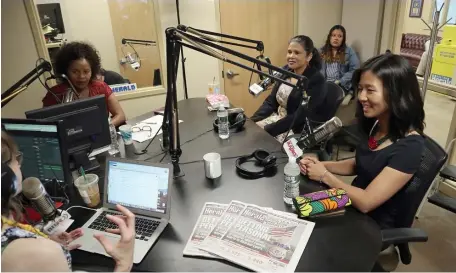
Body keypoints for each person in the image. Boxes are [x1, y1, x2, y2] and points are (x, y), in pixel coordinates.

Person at [299, 53, 425, 230]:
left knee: (309, 231)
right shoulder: (376, 124)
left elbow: (366, 202)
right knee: (297, 207)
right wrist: (320, 165)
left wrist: (324, 176)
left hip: (370, 222)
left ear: (396, 93)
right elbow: (360, 163)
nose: (361, 97)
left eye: (370, 90)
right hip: (348, 201)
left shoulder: (410, 147)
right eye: (360, 89)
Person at [1, 132, 135, 272]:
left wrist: (46, 243)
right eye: (15, 158)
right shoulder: (37, 254)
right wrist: (124, 263)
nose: (18, 163)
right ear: (3, 175)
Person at [251, 35, 327, 143]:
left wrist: (268, 129)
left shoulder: (316, 80)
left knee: (258, 142)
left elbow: (299, 116)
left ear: (309, 56)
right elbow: (271, 102)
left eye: (297, 53)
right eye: (289, 52)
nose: (291, 56)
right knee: (249, 134)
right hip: (277, 120)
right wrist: (253, 120)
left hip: (295, 128)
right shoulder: (287, 70)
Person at [42, 41, 126, 127]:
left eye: (86, 71)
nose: (81, 76)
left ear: (92, 70)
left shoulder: (101, 87)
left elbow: (120, 115)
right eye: (75, 72)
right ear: (65, 71)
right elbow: (47, 127)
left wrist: (104, 127)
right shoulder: (54, 94)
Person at [320, 25, 360, 98]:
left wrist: (341, 81)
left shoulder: (349, 51)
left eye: (339, 36)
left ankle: (350, 93)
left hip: (341, 84)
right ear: (329, 37)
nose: (336, 38)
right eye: (333, 35)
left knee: (330, 97)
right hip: (324, 83)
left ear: (343, 39)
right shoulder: (322, 51)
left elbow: (355, 69)